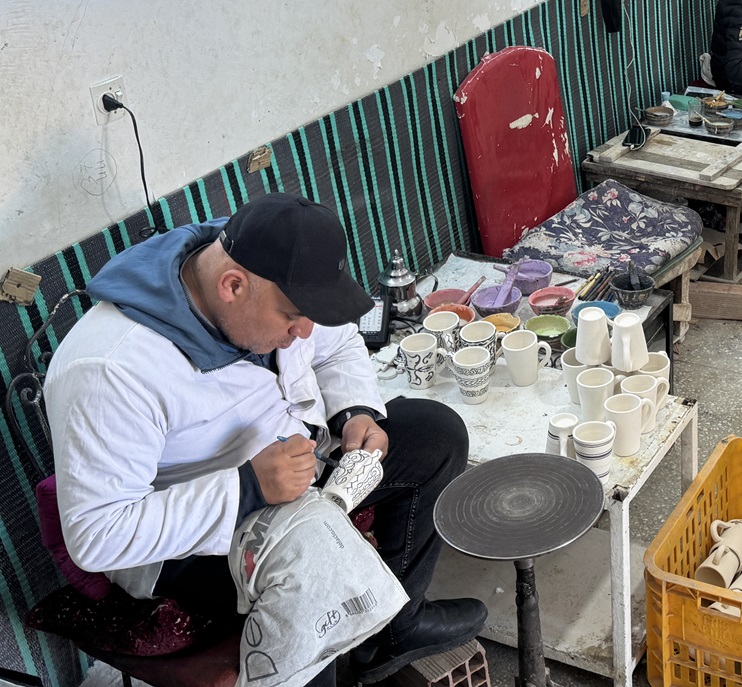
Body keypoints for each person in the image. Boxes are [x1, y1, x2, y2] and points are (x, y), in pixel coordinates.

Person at [44, 193, 486, 686]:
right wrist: (247, 488)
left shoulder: (262, 275)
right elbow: (98, 534)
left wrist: (354, 413)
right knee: (317, 574)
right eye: (293, 317)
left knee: (435, 434)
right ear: (232, 286)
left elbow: (338, 344)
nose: (305, 332)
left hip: (301, 470)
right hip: (195, 542)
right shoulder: (109, 370)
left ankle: (393, 632)